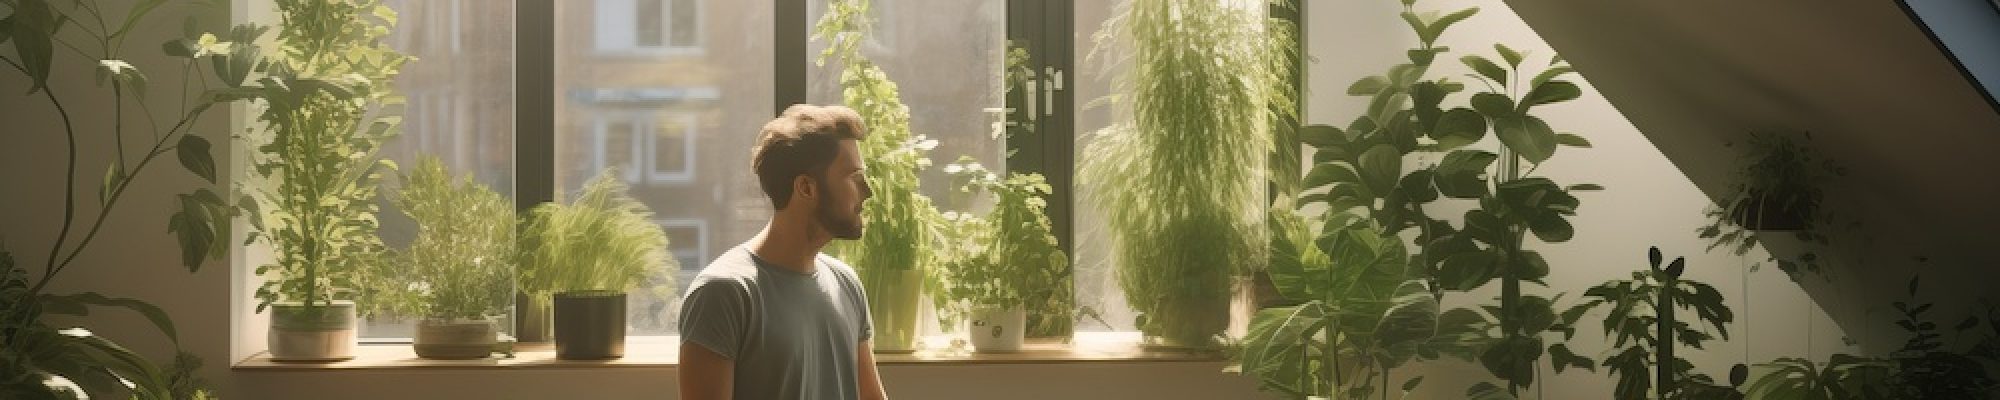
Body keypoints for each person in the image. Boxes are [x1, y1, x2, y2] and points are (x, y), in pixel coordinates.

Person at [678, 104, 889, 400]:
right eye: (854, 177)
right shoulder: (722, 294)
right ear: (806, 188)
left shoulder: (846, 283)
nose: (867, 191)